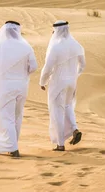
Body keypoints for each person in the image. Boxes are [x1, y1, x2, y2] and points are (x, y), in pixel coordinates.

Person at [0, 20, 37, 158]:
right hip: (21, 86)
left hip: (5, 86)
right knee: (17, 116)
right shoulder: (26, 46)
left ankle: (12, 148)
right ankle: (13, 145)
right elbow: (34, 67)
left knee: (5, 116)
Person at [39, 20, 85, 151]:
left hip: (58, 83)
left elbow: (47, 68)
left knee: (57, 112)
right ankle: (74, 129)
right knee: (68, 106)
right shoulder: (76, 45)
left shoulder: (55, 47)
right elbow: (82, 65)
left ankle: (60, 144)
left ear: (56, 31)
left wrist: (42, 82)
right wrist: (74, 76)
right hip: (71, 82)